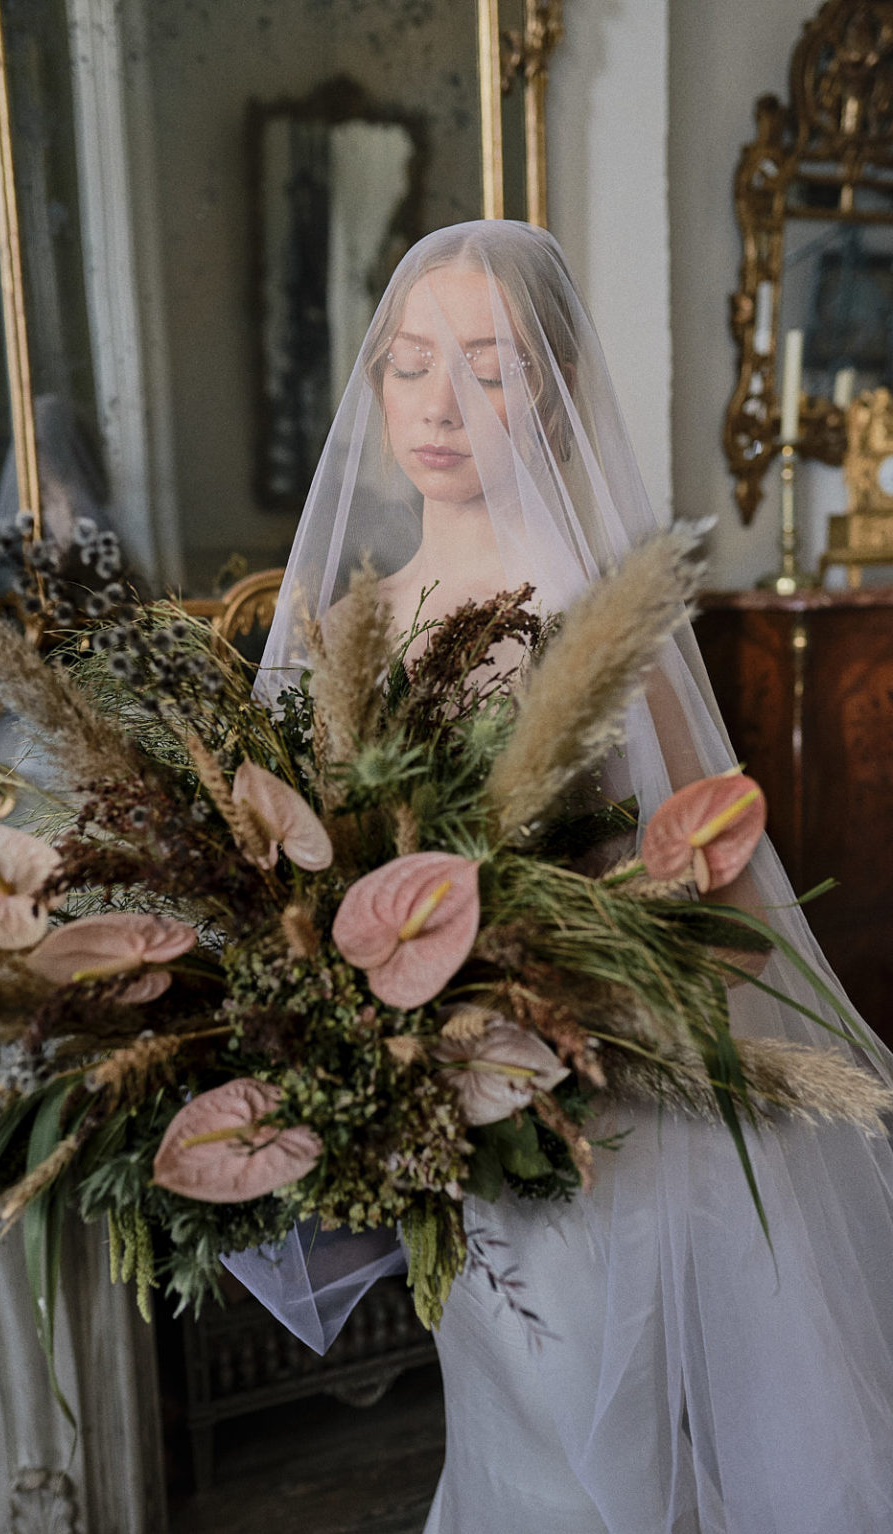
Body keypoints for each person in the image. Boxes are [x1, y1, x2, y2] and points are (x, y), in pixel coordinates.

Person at [238, 221, 893, 1533]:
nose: (438, 402)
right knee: (501, 1432)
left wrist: (555, 994)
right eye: (412, 360)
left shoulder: (589, 617)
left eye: (487, 365)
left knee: (597, 1445)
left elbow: (708, 893)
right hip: (435, 1118)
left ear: (551, 388)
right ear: (372, 380)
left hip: (593, 1119)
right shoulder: (348, 623)